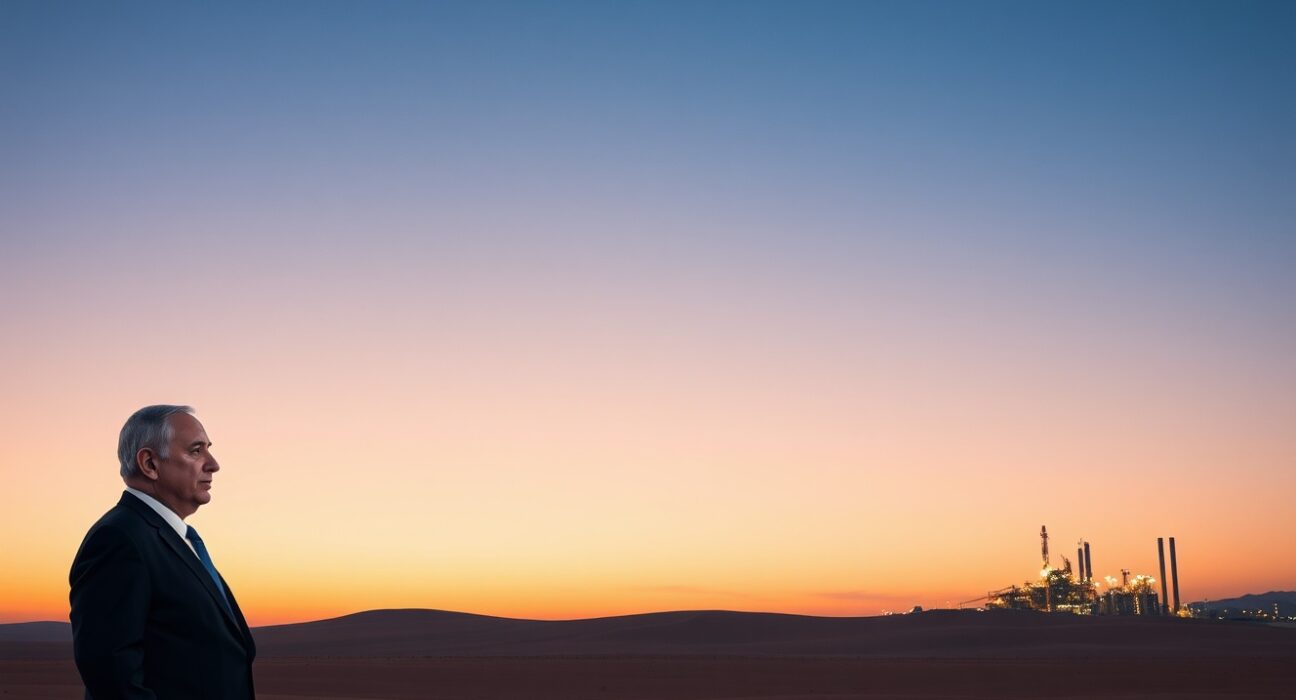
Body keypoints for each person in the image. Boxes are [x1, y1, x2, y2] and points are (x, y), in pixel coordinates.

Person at [69, 405, 256, 699]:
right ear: (150, 464)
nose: (213, 464)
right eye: (196, 451)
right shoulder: (119, 539)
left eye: (208, 449)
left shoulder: (173, 538)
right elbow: (111, 675)